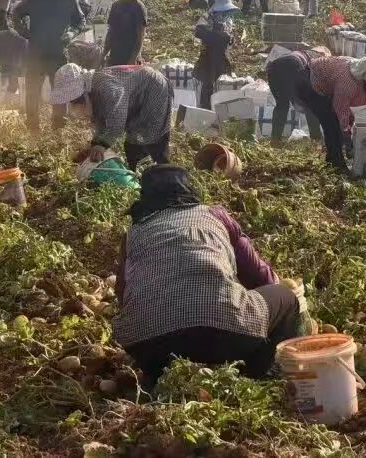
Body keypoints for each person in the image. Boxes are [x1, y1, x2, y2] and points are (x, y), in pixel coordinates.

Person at [113, 165, 298, 386]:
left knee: (162, 345)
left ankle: (156, 378)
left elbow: (122, 296)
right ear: (190, 188)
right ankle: (255, 376)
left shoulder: (133, 233)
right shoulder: (215, 215)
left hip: (145, 343)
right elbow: (258, 276)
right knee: (286, 299)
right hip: (224, 337)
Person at [51, 63, 174, 168]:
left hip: (153, 89)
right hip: (137, 97)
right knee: (134, 146)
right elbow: (102, 122)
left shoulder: (106, 88)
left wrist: (102, 144)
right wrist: (94, 145)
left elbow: (117, 117)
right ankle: (142, 175)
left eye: (76, 100)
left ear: (82, 92)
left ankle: (165, 175)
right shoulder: (92, 90)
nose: (75, 104)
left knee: (149, 142)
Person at [12, 0, 84, 133]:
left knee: (59, 93)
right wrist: (22, 30)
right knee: (32, 93)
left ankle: (58, 128)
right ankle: (33, 128)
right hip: (36, 54)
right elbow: (16, 13)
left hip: (58, 54)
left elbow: (80, 21)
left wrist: (71, 33)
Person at [265, 47, 329, 144]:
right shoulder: (317, 58)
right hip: (294, 65)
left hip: (273, 68)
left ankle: (275, 140)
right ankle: (316, 139)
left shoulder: (300, 53)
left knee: (282, 106)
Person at [193, 0, 239, 109]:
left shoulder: (228, 20)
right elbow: (198, 32)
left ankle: (220, 107)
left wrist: (230, 39)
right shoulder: (207, 17)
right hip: (209, 55)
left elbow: (230, 38)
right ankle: (205, 108)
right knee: (208, 82)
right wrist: (217, 36)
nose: (225, 13)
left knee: (223, 82)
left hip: (223, 56)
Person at [103, 0, 148, 67]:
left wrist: (132, 60)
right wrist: (103, 55)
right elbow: (110, 33)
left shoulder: (138, 7)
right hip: (115, 58)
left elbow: (140, 38)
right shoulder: (115, 6)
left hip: (130, 60)